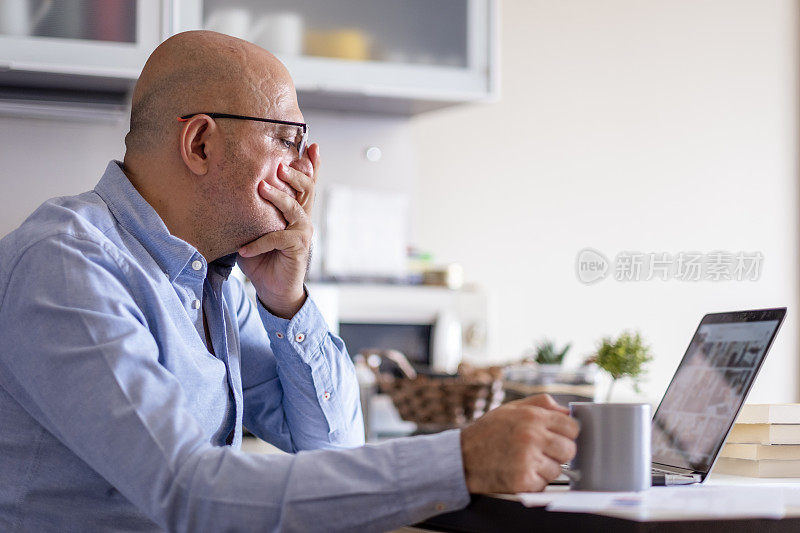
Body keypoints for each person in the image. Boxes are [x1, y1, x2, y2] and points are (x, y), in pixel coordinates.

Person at [0, 31, 579, 532]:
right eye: (288, 139)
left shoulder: (218, 280)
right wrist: (461, 459)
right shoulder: (67, 265)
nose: (305, 171)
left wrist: (286, 302)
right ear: (200, 143)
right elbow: (190, 492)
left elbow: (332, 446)